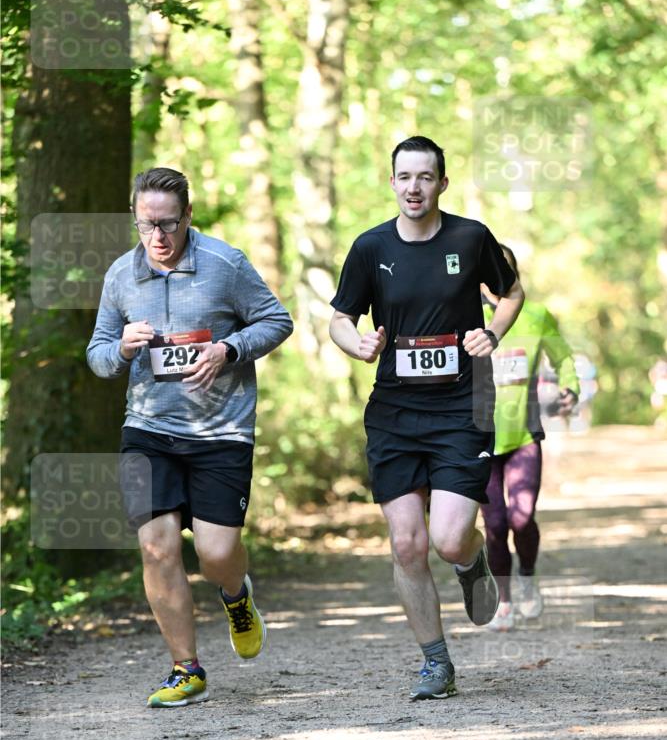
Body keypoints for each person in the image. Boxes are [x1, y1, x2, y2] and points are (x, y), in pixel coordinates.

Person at [87, 167, 293, 707]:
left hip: (221, 430)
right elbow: (98, 355)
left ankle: (234, 594)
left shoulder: (226, 264)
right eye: (145, 224)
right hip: (148, 429)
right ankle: (186, 669)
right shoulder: (120, 276)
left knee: (215, 552)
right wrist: (123, 350)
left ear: (188, 217)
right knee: (156, 549)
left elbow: (276, 321)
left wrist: (229, 349)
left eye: (168, 224)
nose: (157, 236)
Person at [329, 136, 524, 701]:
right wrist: (357, 344)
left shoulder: (471, 237)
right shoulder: (370, 248)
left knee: (447, 538)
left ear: (442, 182)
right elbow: (340, 317)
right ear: (392, 182)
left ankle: (471, 562)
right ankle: (436, 663)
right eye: (404, 177)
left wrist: (493, 330)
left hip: (465, 404)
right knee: (406, 545)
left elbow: (511, 293)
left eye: (425, 177)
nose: (414, 187)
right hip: (393, 410)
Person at [481, 244, 579, 630]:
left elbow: (564, 358)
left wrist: (570, 387)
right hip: (478, 440)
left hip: (524, 434)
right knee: (494, 525)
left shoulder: (536, 315)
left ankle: (528, 576)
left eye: (502, 270)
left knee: (521, 518)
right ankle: (503, 601)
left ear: (514, 274)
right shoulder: (463, 317)